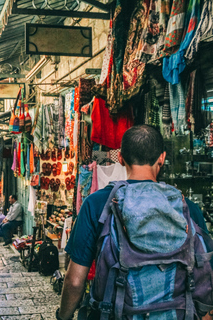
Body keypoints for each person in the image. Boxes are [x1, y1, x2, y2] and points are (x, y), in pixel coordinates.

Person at [57, 125, 211, 320]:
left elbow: (75, 281)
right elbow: (205, 274)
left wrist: (63, 316)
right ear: (162, 158)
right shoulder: (187, 208)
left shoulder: (96, 204)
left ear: (120, 158)